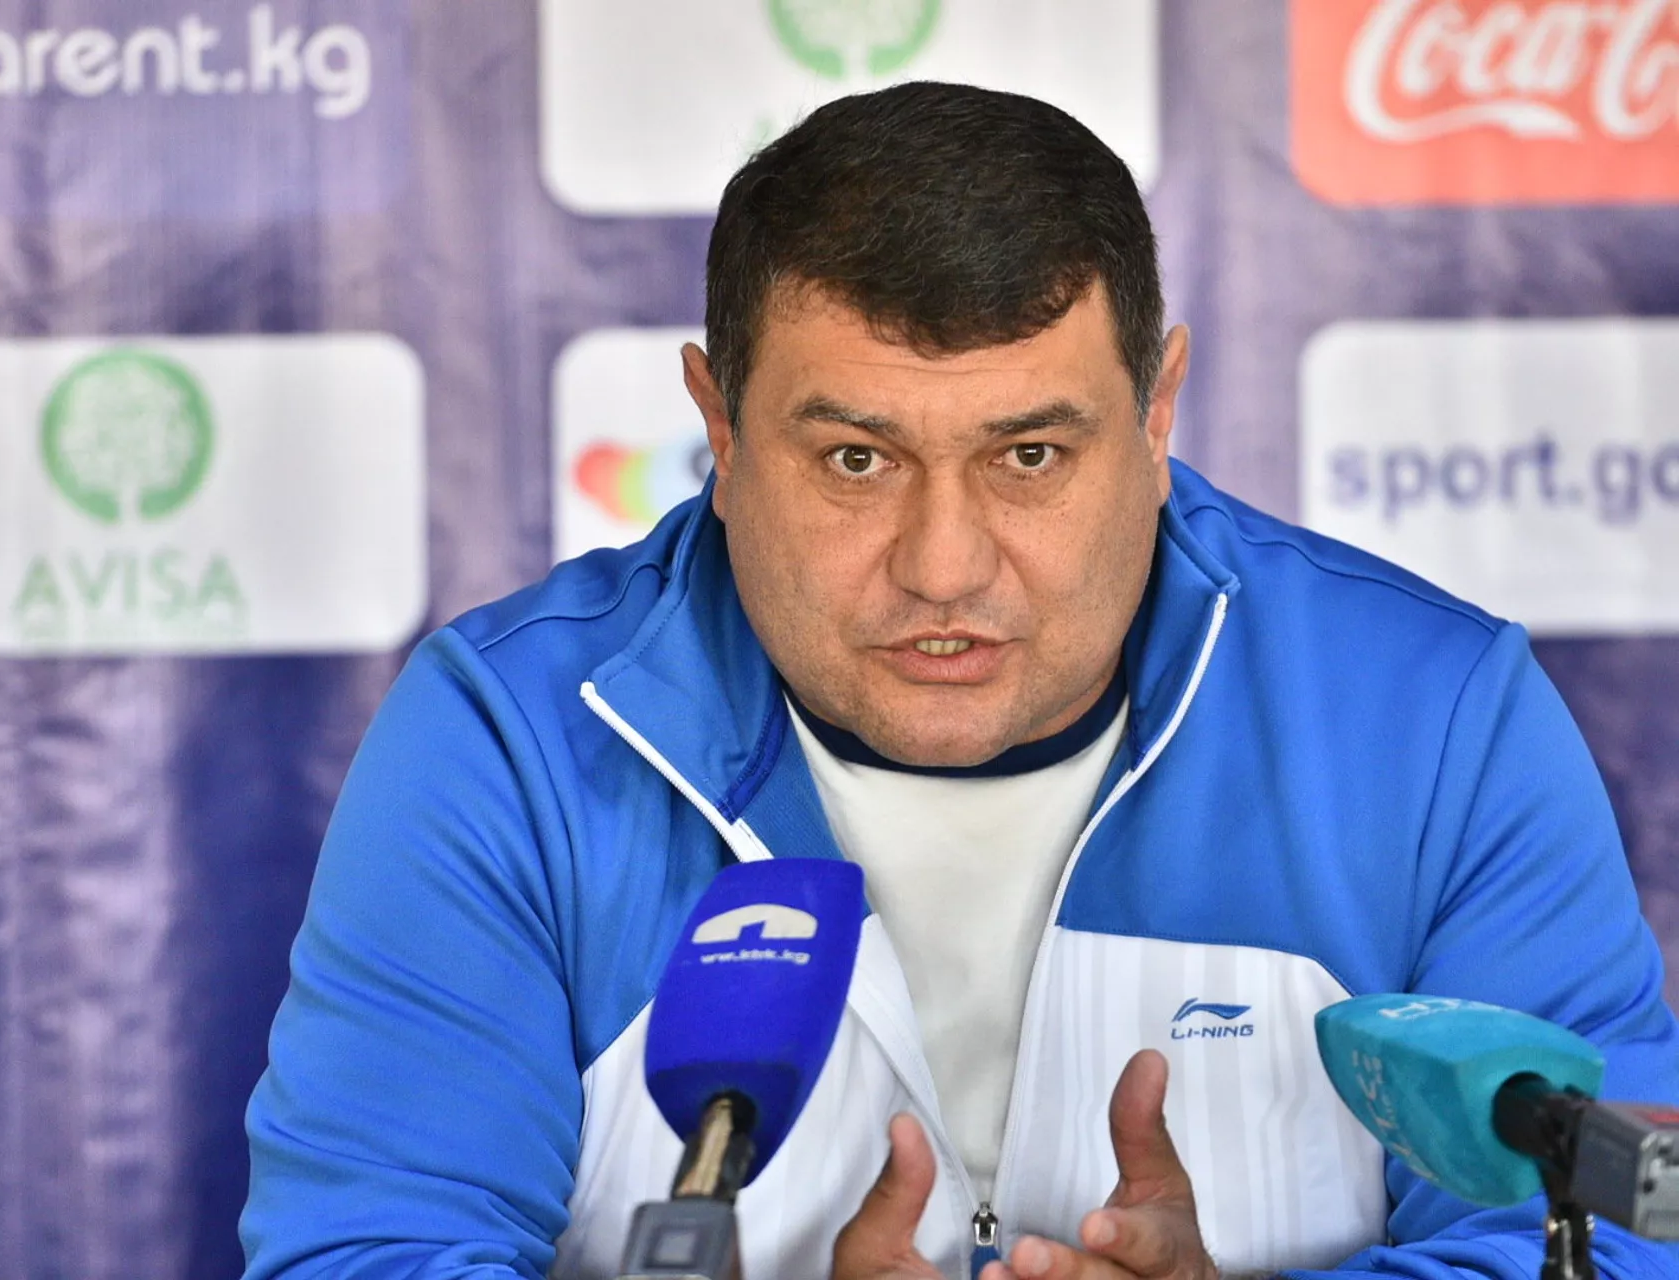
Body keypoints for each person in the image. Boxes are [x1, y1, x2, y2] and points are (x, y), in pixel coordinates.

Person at [237, 82, 1679, 1280]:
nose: (943, 565)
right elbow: (364, 1253)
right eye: (856, 459)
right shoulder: (511, 743)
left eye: (1029, 457)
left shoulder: (1430, 721)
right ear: (719, 431)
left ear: (1158, 415)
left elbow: (1613, 1233)